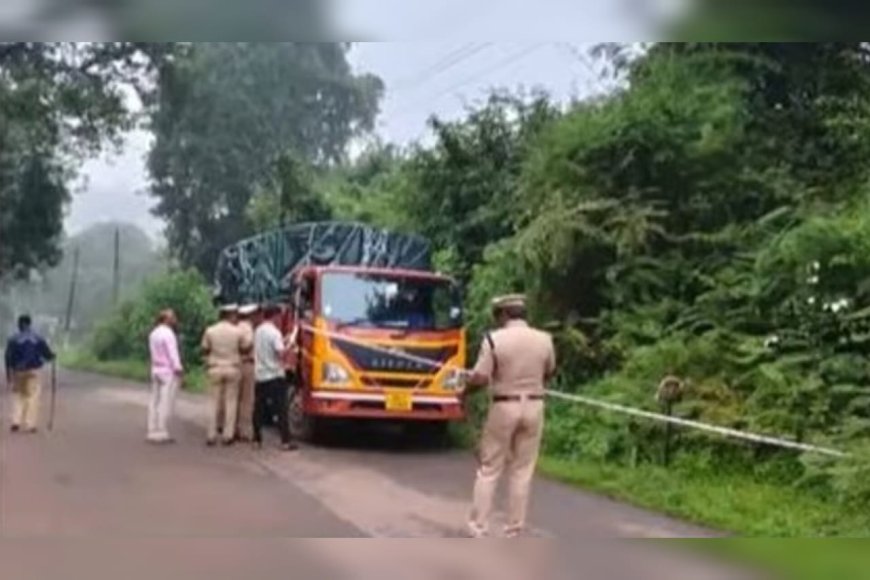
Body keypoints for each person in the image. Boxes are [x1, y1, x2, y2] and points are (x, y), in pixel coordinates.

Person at [462, 295, 556, 538]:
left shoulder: (494, 339)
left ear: (504, 315)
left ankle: (479, 525)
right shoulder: (544, 340)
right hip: (535, 405)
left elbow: (482, 377)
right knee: (522, 470)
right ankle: (514, 528)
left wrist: (464, 391)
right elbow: (549, 371)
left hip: (504, 405)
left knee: (490, 467)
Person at [201, 304, 251, 446]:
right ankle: (228, 435)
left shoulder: (210, 330)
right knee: (231, 402)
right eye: (234, 315)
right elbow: (246, 347)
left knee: (213, 402)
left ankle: (211, 434)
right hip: (232, 368)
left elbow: (204, 348)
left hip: (215, 367)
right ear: (230, 315)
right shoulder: (237, 332)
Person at [253, 304, 298, 451]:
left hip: (260, 375)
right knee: (281, 409)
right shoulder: (274, 333)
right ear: (275, 316)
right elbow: (280, 354)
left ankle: (257, 439)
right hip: (274, 375)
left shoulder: (258, 331)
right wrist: (290, 346)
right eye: (279, 316)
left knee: (258, 408)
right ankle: (285, 441)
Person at [4, 314, 55, 433]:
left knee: (18, 396)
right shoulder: (38, 338)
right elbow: (47, 355)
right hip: (34, 370)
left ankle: (16, 421)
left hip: (18, 371)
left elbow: (8, 358)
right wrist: (52, 356)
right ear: (29, 324)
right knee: (33, 396)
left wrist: (9, 375)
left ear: (20, 324)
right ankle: (30, 424)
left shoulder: (13, 339)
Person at [147, 309, 184, 444]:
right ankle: (162, 430)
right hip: (167, 370)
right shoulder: (169, 334)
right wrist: (178, 368)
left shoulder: (153, 333)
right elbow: (172, 352)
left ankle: (152, 429)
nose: (174, 319)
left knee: (154, 401)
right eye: (172, 317)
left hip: (155, 368)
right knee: (165, 401)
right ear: (166, 319)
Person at [236, 304, 259, 442]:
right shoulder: (248, 328)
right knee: (247, 400)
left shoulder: (235, 327)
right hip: (247, 364)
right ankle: (244, 431)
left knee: (234, 399)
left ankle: (231, 428)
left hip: (235, 364)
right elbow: (247, 344)